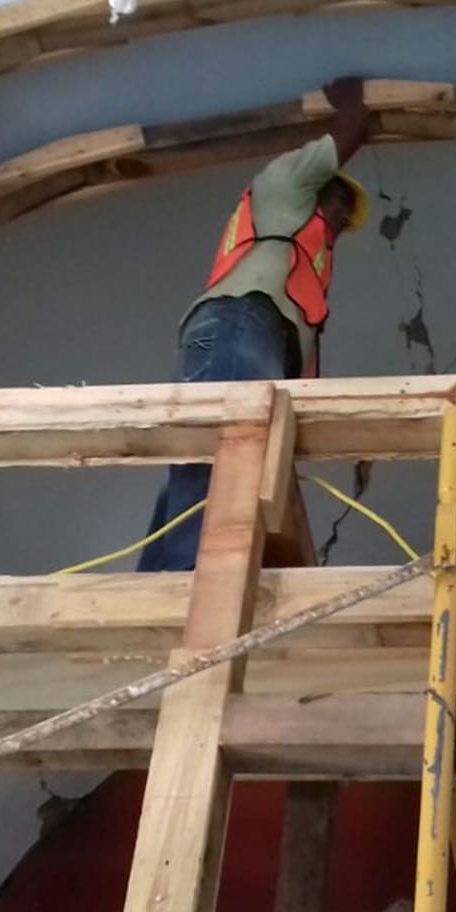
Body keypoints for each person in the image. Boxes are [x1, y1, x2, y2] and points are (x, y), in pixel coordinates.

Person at [136, 77, 372, 572]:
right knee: (221, 464)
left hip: (253, 336)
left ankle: (160, 589)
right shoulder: (282, 185)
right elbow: (349, 134)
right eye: (339, 208)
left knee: (205, 468)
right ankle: (188, 589)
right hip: (241, 322)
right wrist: (352, 102)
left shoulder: (308, 268)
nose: (340, 224)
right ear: (317, 191)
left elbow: (303, 362)